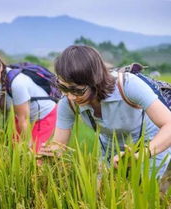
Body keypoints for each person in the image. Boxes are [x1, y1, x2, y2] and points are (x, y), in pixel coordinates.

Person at [39, 45, 171, 177]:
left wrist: (142, 154)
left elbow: (169, 125)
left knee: (142, 191)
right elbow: (59, 145)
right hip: (109, 146)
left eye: (77, 90)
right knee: (102, 190)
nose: (71, 96)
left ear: (95, 81)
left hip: (150, 142)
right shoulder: (67, 101)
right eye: (63, 87)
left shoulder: (128, 85)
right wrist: (48, 153)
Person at [0, 48, 57, 153]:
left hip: (43, 115)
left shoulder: (17, 83)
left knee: (36, 156)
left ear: (0, 67)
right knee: (12, 152)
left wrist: (28, 144)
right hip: (21, 116)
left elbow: (23, 119)